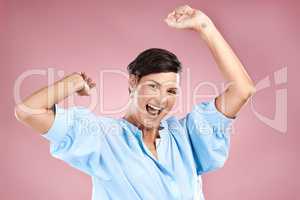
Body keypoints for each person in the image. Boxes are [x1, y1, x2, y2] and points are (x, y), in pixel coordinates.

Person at [15, 5, 256, 200]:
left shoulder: (187, 136)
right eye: (153, 86)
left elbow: (243, 89)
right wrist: (74, 81)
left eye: (171, 90)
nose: (162, 99)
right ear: (133, 82)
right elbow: (28, 111)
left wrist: (205, 26)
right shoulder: (102, 138)